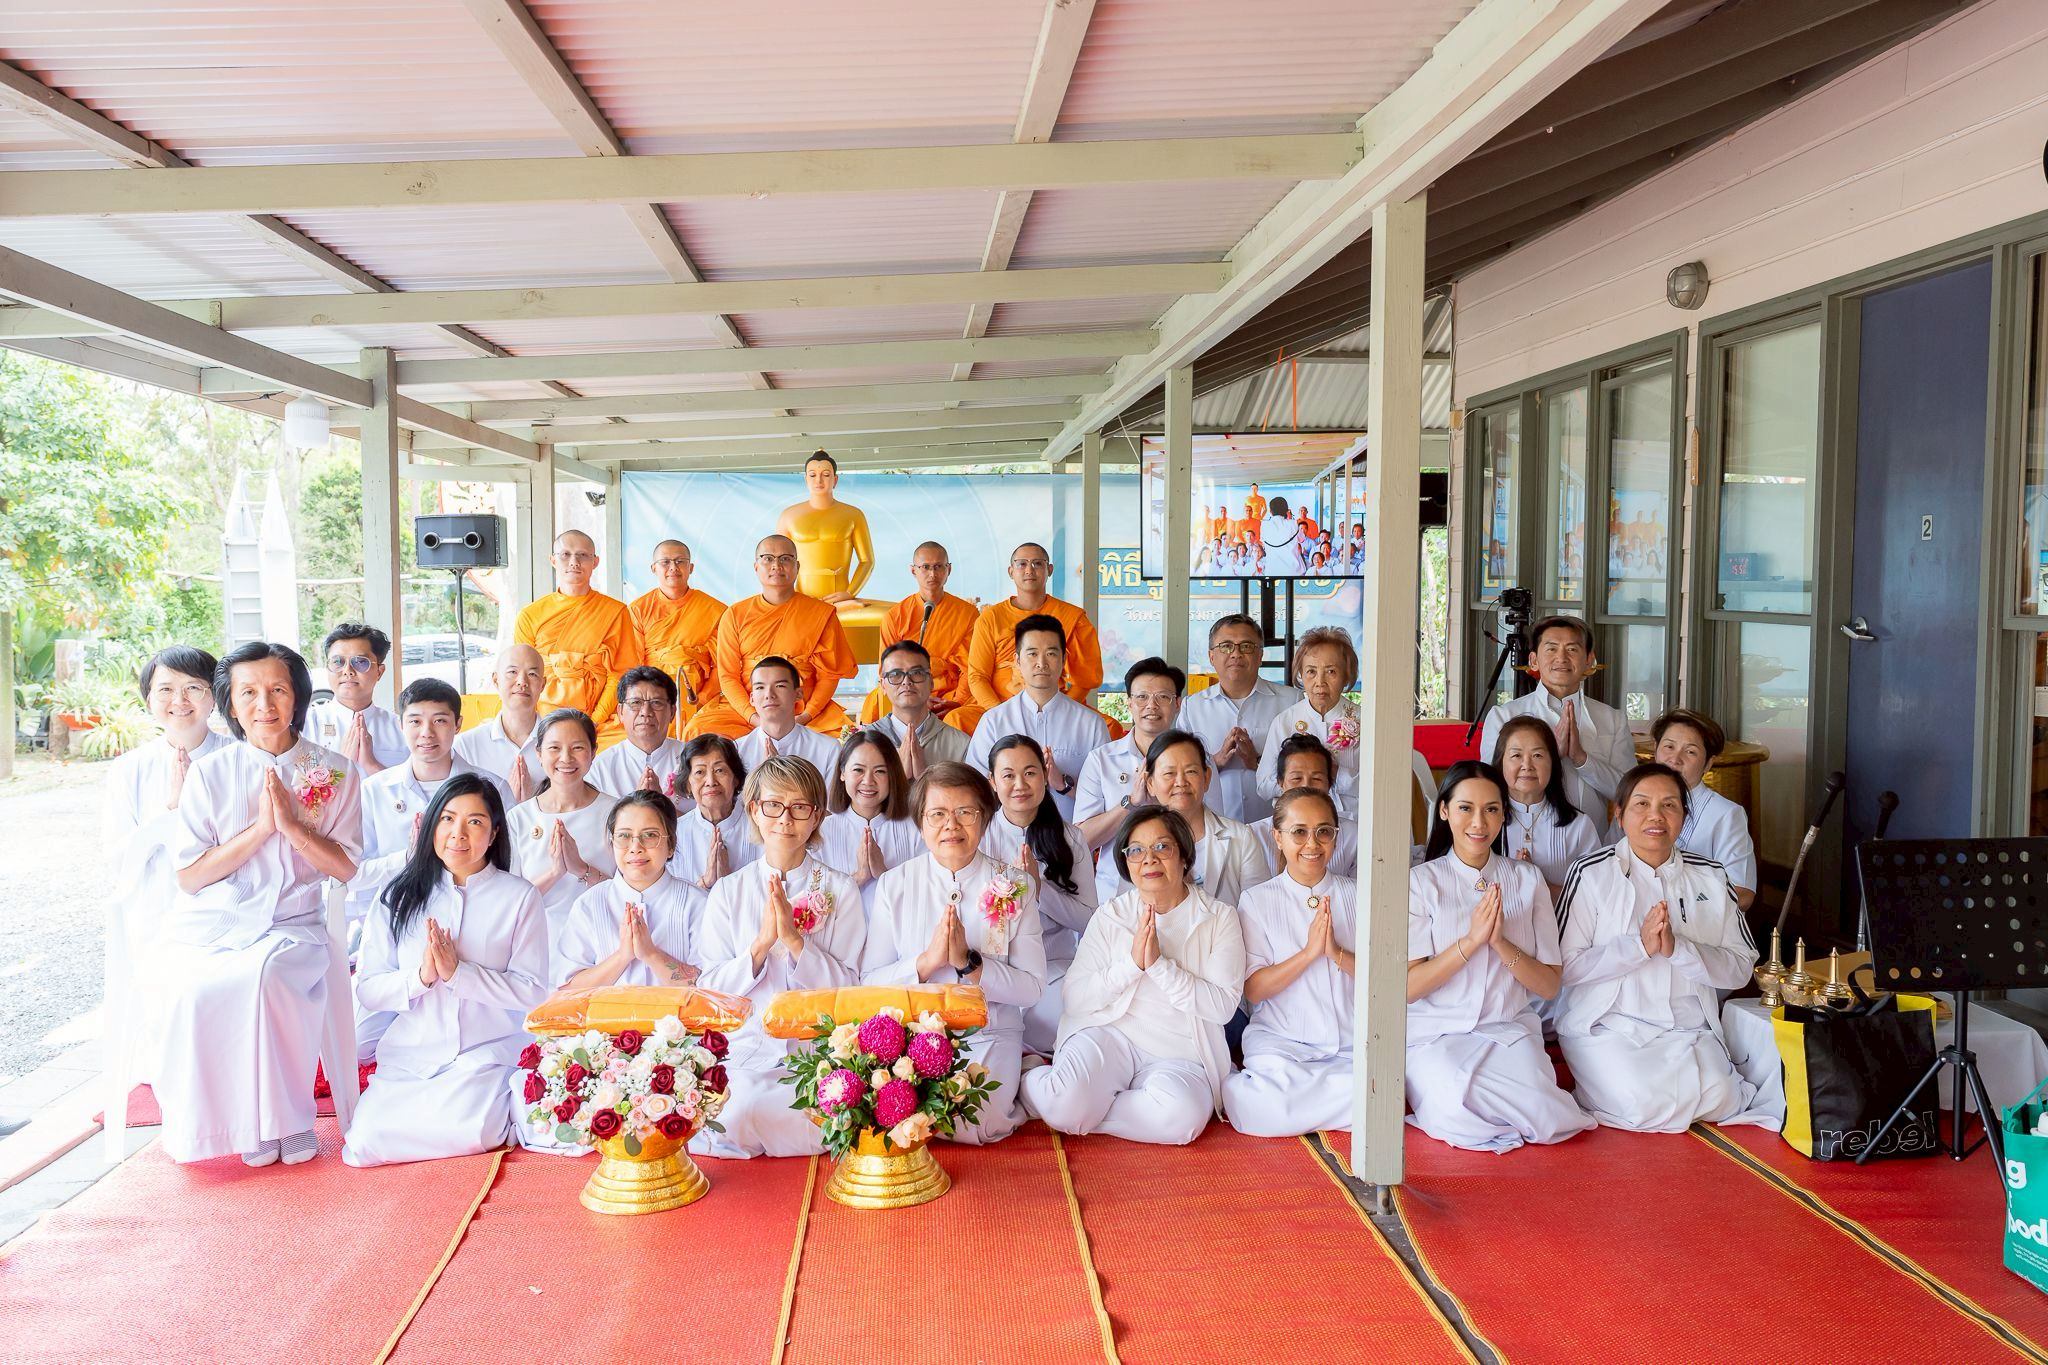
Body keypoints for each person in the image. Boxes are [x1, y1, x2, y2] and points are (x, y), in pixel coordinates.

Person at [153, 641, 363, 1167]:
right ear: (229, 702)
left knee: (268, 976)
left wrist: (293, 828)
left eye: (277, 689)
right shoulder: (211, 773)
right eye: (248, 692)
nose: (263, 704)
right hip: (220, 924)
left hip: (297, 924)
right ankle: (242, 1126)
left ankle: (288, 1124)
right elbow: (189, 876)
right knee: (198, 990)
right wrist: (262, 830)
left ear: (298, 697)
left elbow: (345, 867)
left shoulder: (333, 770)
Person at [343, 775, 547, 1167]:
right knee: (365, 1143)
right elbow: (368, 989)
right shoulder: (397, 897)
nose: (458, 834)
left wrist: (460, 974)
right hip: (412, 1055)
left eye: (474, 822)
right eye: (448, 819)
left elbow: (533, 991)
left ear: (494, 833)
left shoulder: (519, 897)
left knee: (475, 1131)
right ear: (431, 824)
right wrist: (420, 978)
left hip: (483, 1052)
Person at [1555, 762, 1768, 1133]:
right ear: (1619, 814)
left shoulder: (1712, 876)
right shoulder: (1589, 873)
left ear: (1684, 816)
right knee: (1642, 1103)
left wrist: (1678, 949)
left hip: (1688, 1029)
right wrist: (1638, 946)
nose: (1656, 815)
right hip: (1608, 1029)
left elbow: (1741, 967)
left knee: (1723, 1096)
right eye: (1642, 804)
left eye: (1669, 805)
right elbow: (1565, 967)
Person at [1023, 806, 1245, 1145]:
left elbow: (1222, 1008)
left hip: (1180, 1052)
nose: (1149, 859)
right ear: (1126, 863)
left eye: (1162, 847)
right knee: (1063, 1103)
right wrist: (1132, 965)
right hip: (1110, 1036)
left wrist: (1159, 966)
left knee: (1181, 1121)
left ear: (1184, 856)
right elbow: (1076, 997)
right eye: (1136, 850)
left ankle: (1084, 1108)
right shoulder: (1112, 915)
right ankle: (1033, 1077)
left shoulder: (1219, 918)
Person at [1405, 761, 1593, 1153]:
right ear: (1444, 810)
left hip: (1508, 1029)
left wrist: (1501, 944)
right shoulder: (1420, 883)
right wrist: (1470, 942)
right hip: (1436, 1035)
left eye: (1491, 809)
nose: (1479, 822)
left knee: (1547, 1116)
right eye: (1465, 808)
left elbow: (1549, 983)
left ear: (1504, 814)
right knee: (1454, 1112)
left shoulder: (1527, 879)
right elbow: (1409, 988)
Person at [690, 755, 865, 1158]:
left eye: (799, 807)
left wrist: (797, 943)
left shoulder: (840, 889)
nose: (785, 820)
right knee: (739, 1110)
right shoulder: (729, 891)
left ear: (817, 816)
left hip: (820, 1048)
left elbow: (852, 987)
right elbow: (711, 990)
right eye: (773, 806)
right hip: (751, 1049)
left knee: (831, 1115)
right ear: (754, 809)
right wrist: (761, 945)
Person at [863, 763, 1046, 1143]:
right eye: (938, 814)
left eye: (965, 812)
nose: (951, 826)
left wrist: (970, 964)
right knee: (903, 1122)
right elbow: (869, 981)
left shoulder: (1015, 885)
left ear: (986, 818)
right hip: (912, 1035)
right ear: (920, 821)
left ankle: (1023, 1075)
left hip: (989, 1031)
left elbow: (1031, 989)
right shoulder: (894, 884)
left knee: (974, 1123)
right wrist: (927, 962)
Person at [104, 646, 228, 1079]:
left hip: (227, 906)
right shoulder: (129, 770)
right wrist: (170, 813)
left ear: (214, 697)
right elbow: (119, 859)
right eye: (166, 689)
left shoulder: (236, 758)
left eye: (194, 688)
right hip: (159, 909)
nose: (180, 701)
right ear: (148, 699)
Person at [1223, 788, 1358, 1137]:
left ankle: (1311, 1106)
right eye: (1299, 832)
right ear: (1278, 837)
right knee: (1267, 1110)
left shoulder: (1359, 895)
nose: (1312, 844)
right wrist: (1309, 954)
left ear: (1335, 837)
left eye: (1324, 831)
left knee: (1375, 1099)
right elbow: (1253, 988)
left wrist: (1336, 954)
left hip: (1349, 1044)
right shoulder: (1257, 900)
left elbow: (1384, 978)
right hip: (1282, 1043)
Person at [349, 679, 510, 926]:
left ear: (458, 724)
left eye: (440, 721)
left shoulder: (492, 788)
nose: (427, 732)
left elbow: (511, 863)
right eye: (415, 721)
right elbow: (352, 874)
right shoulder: (374, 791)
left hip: (479, 918)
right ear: (400, 724)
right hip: (398, 919)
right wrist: (407, 858)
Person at [979, 735, 1096, 1056]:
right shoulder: (978, 836)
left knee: (1074, 1026)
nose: (1020, 784)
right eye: (1008, 775)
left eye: (1030, 773)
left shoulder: (1070, 838)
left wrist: (1039, 889)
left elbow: (1089, 919)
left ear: (1045, 775)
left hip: (1054, 968)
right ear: (992, 781)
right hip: (994, 970)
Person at [684, 534, 858, 741]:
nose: (777, 565)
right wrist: (754, 717)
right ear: (756, 567)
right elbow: (728, 676)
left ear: (797, 566)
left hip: (802, 705)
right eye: (768, 558)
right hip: (748, 708)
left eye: (785, 558)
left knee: (841, 740)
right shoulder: (735, 614)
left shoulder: (820, 613)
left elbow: (829, 675)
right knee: (699, 731)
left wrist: (806, 715)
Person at [1477, 616, 1634, 818]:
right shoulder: (1504, 716)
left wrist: (1582, 759)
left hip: (1594, 844)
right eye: (1551, 648)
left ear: (1588, 660)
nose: (1561, 658)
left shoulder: (1613, 720)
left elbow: (1629, 792)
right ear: (1534, 660)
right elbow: (1490, 787)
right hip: (1521, 839)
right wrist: (1552, 756)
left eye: (1572, 649)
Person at [504, 709, 616, 978]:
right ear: (539, 754)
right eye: (554, 748)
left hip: (601, 945)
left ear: (593, 752)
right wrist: (555, 872)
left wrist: (582, 870)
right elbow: (508, 901)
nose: (566, 758)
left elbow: (628, 892)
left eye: (577, 748)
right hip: (538, 947)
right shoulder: (519, 818)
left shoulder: (615, 812)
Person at [966, 614, 1109, 822]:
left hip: (1071, 844)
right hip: (1006, 846)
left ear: (1064, 659)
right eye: (1032, 654)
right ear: (1017, 660)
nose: (1041, 663)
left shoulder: (1090, 724)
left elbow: (1105, 797)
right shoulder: (994, 722)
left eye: (1051, 653)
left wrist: (1062, 783)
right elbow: (975, 790)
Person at [555, 791, 703, 990]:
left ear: (671, 845)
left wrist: (651, 954)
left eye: (650, 835)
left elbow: (711, 984)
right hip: (604, 1022)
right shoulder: (589, 904)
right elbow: (567, 988)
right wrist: (622, 957)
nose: (635, 847)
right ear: (611, 844)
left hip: (680, 1022)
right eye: (624, 836)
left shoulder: (698, 903)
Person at [513, 530, 646, 745]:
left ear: (595, 562)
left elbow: (621, 674)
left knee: (630, 744)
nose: (574, 562)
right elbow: (522, 675)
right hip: (543, 715)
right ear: (553, 560)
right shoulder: (530, 615)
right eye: (565, 554)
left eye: (582, 555)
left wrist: (595, 719)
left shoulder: (615, 611)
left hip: (598, 716)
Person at [1112, 730, 1272, 906]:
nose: (1181, 782)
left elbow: (1259, 911)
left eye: (1191, 771)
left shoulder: (1241, 838)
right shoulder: (1135, 844)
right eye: (1169, 773)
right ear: (1150, 784)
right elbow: (1127, 910)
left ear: (1206, 778)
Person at [1179, 614, 1300, 824]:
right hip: (1212, 830)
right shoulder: (1192, 707)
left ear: (1260, 655)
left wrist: (1259, 762)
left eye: (1246, 646)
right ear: (1211, 656)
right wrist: (1214, 762)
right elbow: (1179, 768)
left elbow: (1304, 766)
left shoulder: (1291, 701)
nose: (1236, 653)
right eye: (1225, 646)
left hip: (1277, 826)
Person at [1073, 658, 1184, 881]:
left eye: (1163, 697)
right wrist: (1131, 803)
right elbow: (1082, 841)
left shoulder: (1196, 759)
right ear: (1129, 703)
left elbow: (1210, 829)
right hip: (1115, 889)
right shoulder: (1101, 760)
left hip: (1180, 885)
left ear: (1178, 704)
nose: (1151, 705)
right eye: (1142, 697)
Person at [966, 542, 1104, 710]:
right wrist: (999, 714)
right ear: (1011, 572)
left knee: (1110, 727)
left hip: (1056, 705)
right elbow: (978, 676)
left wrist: (1059, 711)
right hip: (1000, 705)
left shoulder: (1072, 617)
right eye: (1022, 564)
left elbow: (1085, 677)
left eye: (1037, 563)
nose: (1029, 570)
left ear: (1050, 570)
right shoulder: (991, 618)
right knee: (957, 720)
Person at [861, 541, 982, 732]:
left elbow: (971, 668)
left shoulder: (967, 614)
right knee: (875, 701)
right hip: (908, 688)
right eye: (925, 567)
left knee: (959, 717)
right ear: (913, 571)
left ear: (948, 570)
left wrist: (957, 700)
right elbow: (886, 669)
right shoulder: (896, 615)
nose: (932, 574)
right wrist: (914, 696)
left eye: (938, 567)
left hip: (950, 695)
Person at [1651, 708, 1757, 910]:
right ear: (1655, 750)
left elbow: (1742, 893)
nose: (1675, 758)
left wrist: (1680, 911)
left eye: (1690, 751)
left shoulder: (1726, 815)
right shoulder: (1634, 804)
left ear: (1708, 763)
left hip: (1695, 929)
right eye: (1669, 746)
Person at [1494, 715, 1605, 899]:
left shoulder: (1578, 825)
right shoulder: (1484, 821)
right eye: (1516, 755)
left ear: (1552, 763)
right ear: (1500, 762)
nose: (1527, 765)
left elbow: (1594, 900)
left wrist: (1538, 882)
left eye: (1537, 755)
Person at [1256, 626, 1361, 809]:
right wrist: (1299, 779)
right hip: (1297, 822)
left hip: (1355, 822)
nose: (1320, 682)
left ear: (1347, 676)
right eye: (1311, 671)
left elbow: (1383, 782)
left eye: (1331, 671)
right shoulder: (1285, 721)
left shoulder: (1365, 721)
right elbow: (1263, 786)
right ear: (1301, 675)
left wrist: (1337, 773)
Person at [628, 539, 724, 738]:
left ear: (691, 567)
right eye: (665, 562)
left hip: (699, 696)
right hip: (652, 693)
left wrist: (701, 699)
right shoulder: (638, 610)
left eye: (680, 561)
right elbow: (634, 663)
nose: (673, 567)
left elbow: (722, 664)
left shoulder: (715, 610)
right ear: (654, 568)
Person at [819, 729, 922, 889]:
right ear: (842, 773)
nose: (868, 781)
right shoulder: (822, 832)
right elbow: (811, 902)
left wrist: (882, 872)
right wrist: (859, 876)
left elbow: (926, 894)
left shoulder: (916, 829)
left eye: (880, 771)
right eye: (858, 770)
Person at [776, 449, 878, 606]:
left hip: (841, 599)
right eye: (812, 475)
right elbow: (778, 562)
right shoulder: (789, 516)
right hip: (801, 598)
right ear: (805, 479)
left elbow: (867, 561)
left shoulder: (853, 515)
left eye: (825, 475)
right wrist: (781, 594)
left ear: (835, 479)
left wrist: (850, 593)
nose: (819, 481)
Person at [1251, 735, 1359, 877]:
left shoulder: (1353, 835)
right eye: (1296, 778)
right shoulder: (1254, 835)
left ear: (1330, 783)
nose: (1306, 786)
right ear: (1280, 782)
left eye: (1317, 779)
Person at [453, 644, 546, 805]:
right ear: (496, 680)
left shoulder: (558, 744)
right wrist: (505, 798)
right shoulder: (466, 746)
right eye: (512, 672)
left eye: (532, 674)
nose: (522, 681)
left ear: (542, 684)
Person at [306, 622, 404, 774]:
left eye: (360, 662)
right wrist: (344, 762)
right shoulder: (306, 724)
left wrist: (372, 765)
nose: (348, 671)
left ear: (379, 671)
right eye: (337, 662)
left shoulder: (400, 728)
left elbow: (413, 791)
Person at [669, 734, 761, 891]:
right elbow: (671, 900)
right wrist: (705, 883)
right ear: (688, 784)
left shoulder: (761, 827)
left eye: (719, 770)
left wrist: (729, 883)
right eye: (700, 772)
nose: (711, 781)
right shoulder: (675, 834)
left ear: (736, 778)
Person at [867, 639, 971, 776]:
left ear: (931, 683)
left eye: (916, 673)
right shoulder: (865, 742)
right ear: (883, 686)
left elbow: (968, 796)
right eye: (895, 675)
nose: (906, 682)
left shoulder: (960, 744)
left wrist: (926, 777)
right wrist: (897, 778)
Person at [588, 666, 688, 801]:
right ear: (620, 712)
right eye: (635, 703)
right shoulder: (600, 768)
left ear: (672, 712)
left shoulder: (692, 759)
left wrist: (660, 804)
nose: (645, 712)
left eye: (656, 703)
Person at [734, 655, 841, 774]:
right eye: (760, 687)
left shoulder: (827, 749)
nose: (769, 694)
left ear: (798, 694)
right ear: (752, 699)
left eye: (780, 686)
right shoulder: (736, 751)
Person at [1258, 496, 1304, 577]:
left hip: (1273, 571)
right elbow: (1302, 539)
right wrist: (1290, 519)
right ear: (1286, 510)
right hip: (1293, 571)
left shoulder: (1264, 525)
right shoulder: (1293, 524)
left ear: (1270, 511)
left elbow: (1263, 542)